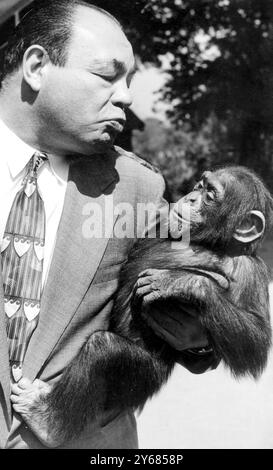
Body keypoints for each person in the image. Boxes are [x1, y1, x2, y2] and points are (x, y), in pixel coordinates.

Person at [0, 0, 217, 449]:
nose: (126, 96)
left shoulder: (136, 186)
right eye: (107, 75)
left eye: (130, 80)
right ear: (37, 66)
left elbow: (204, 306)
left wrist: (198, 337)